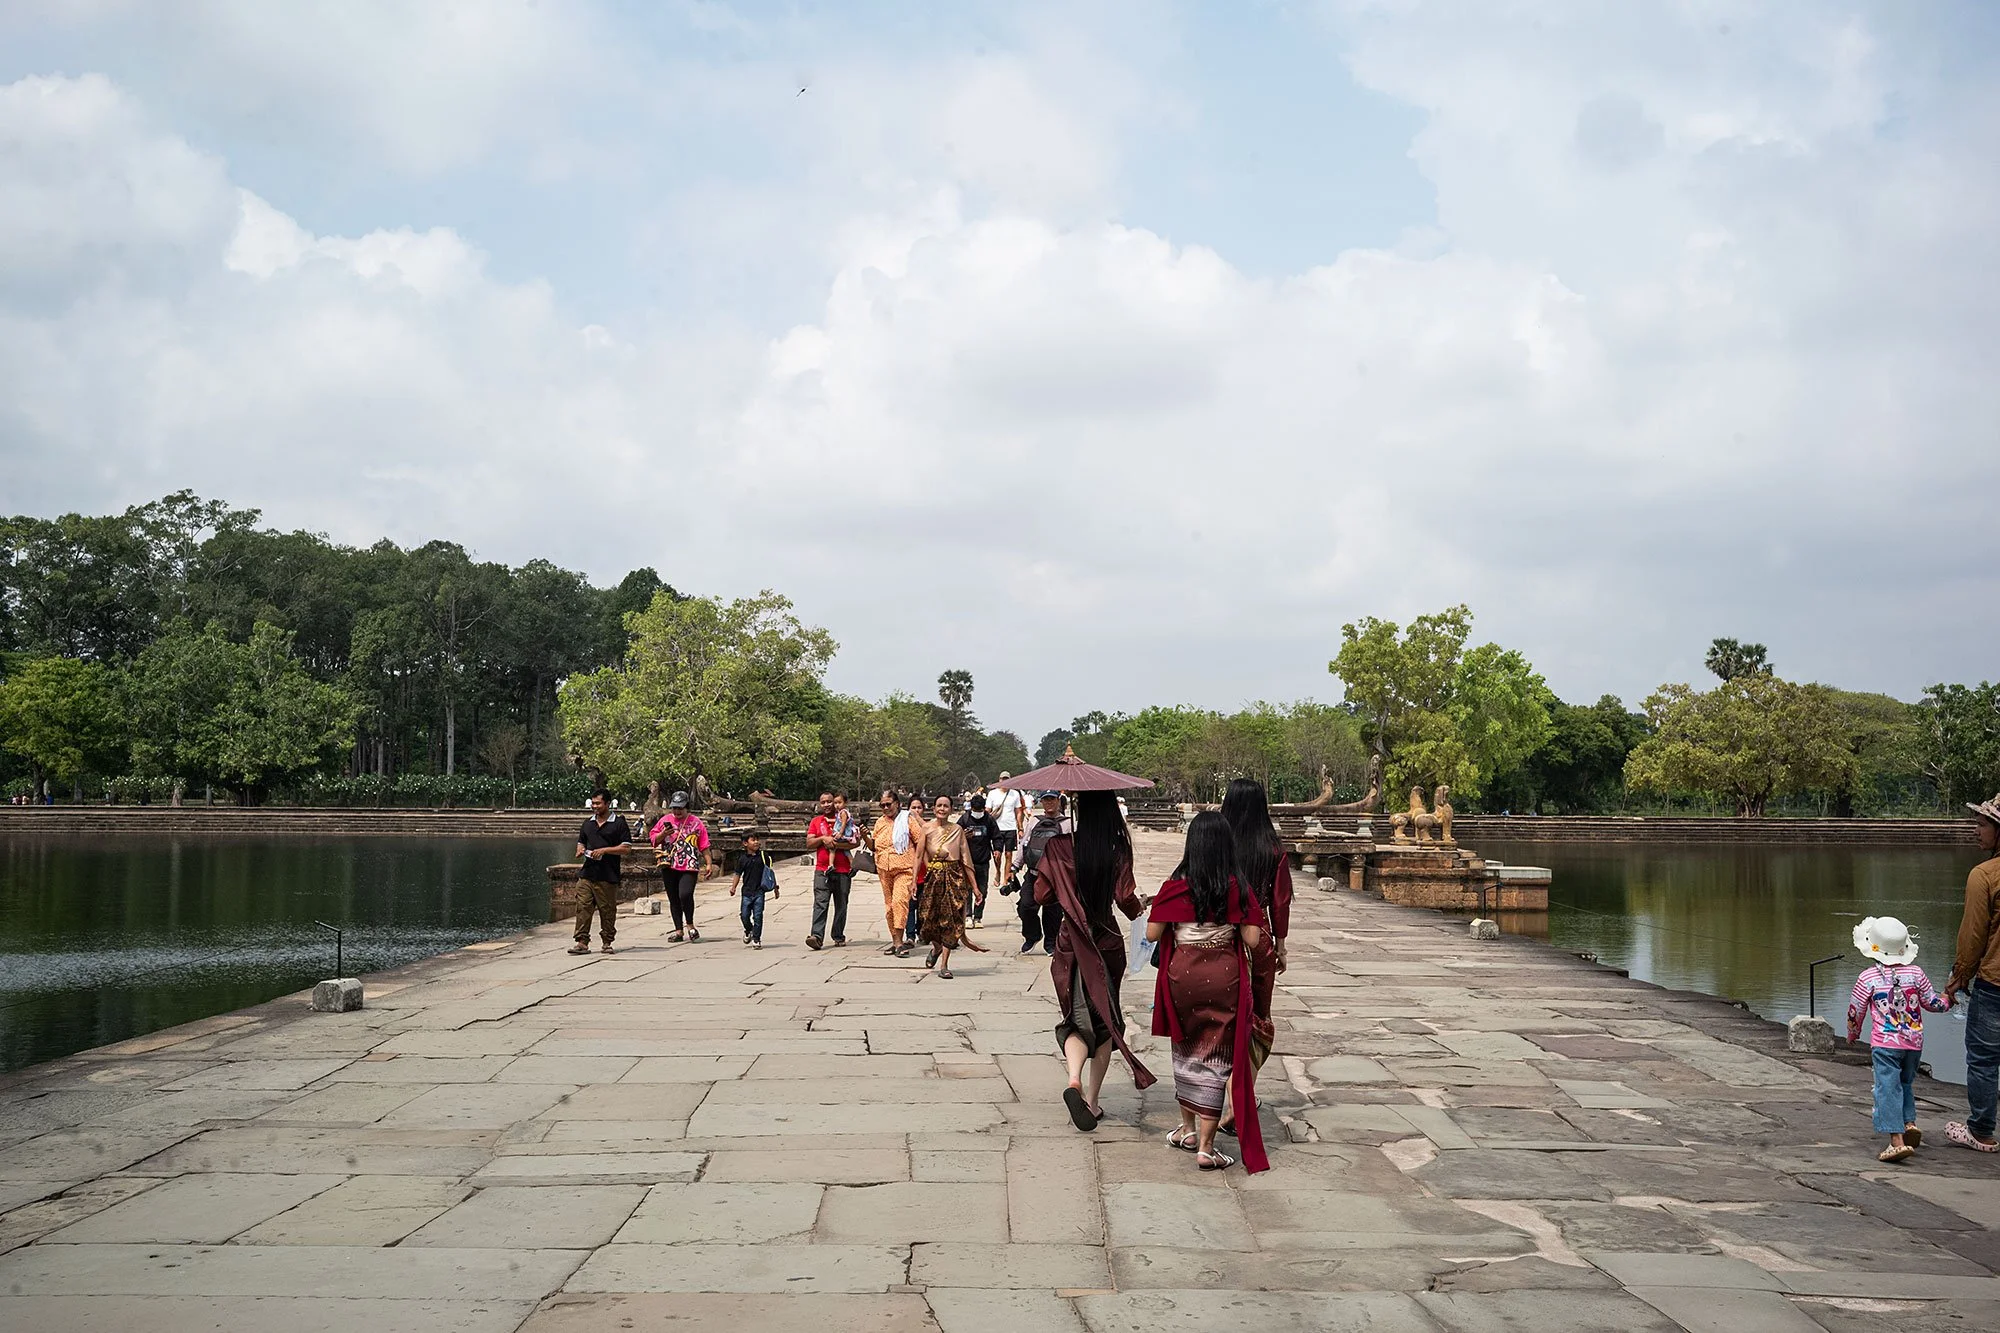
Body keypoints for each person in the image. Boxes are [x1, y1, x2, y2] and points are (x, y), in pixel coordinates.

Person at [1147, 812, 1267, 1173]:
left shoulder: (1175, 885)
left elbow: (1153, 934)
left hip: (1181, 974)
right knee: (1217, 1057)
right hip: (1223, 974)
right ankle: (1206, 1146)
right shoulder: (1236, 887)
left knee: (1186, 1047)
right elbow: (1252, 939)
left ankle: (1186, 1128)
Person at [1036, 789, 1156, 1130]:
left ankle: (1073, 1078)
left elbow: (1043, 895)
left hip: (1070, 941)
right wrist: (1141, 904)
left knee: (1076, 1016)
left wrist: (1061, 875)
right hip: (1105, 941)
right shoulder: (1117, 850)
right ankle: (1091, 1101)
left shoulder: (1058, 847)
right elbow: (1125, 899)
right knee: (1105, 1020)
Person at [1217, 777, 1292, 1138]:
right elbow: (1280, 901)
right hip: (1258, 934)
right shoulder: (1272, 848)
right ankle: (1242, 1094)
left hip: (1219, 933)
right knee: (1257, 1018)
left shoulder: (1219, 843)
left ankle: (1220, 1092)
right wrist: (1280, 943)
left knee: (1223, 1018)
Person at [1846, 915, 1950, 1162]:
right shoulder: (1916, 973)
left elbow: (1855, 1011)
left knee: (1886, 1088)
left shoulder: (1867, 978)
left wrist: (1853, 1034)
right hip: (1914, 1043)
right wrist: (1947, 999)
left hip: (1885, 1044)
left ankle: (1896, 1141)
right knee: (1905, 1083)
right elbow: (1932, 1003)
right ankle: (1910, 1123)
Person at [1944, 793, 2000, 1152]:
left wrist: (1959, 977)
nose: (1975, 830)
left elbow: (1973, 936)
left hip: (1994, 983)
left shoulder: (1984, 875)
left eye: (1982, 824)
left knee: (1983, 1058)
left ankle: (1981, 1131)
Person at [917, 794, 988, 978]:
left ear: (951, 809)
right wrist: (912, 883)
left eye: (946, 806)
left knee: (952, 919)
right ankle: (936, 948)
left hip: (954, 876)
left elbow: (966, 860)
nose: (942, 809)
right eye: (939, 806)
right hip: (933, 878)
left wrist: (975, 887)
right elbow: (918, 857)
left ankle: (944, 965)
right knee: (927, 919)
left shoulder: (957, 830)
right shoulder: (926, 829)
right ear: (933, 809)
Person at [571, 790, 632, 955]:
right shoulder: (587, 823)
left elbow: (626, 848)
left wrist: (604, 850)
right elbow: (581, 842)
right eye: (593, 803)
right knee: (583, 906)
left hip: (608, 874)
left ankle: (607, 941)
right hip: (588, 873)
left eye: (598, 803)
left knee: (607, 910)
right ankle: (582, 941)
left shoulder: (618, 823)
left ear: (607, 803)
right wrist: (580, 850)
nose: (595, 806)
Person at [650, 791, 713, 942]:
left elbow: (704, 845)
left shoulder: (696, 823)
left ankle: (690, 925)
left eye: (680, 808)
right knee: (673, 898)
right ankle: (678, 930)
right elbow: (653, 840)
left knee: (685, 894)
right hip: (669, 864)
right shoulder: (665, 820)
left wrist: (709, 863)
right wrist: (664, 833)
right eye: (675, 808)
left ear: (687, 807)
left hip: (689, 864)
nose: (677, 811)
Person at [1016, 791, 1066, 954]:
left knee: (1053, 911)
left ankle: (1051, 942)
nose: (1049, 803)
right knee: (1026, 906)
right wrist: (1015, 866)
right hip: (1034, 873)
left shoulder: (1068, 823)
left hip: (1056, 876)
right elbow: (1025, 844)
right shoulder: (1034, 821)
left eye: (1052, 799)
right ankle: (1032, 936)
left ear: (1059, 801)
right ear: (1042, 802)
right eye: (1046, 800)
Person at [871, 790, 918, 957]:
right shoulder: (879, 823)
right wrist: (864, 835)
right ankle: (895, 940)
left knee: (899, 902)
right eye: (882, 805)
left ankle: (899, 942)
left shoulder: (907, 820)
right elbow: (873, 845)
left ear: (897, 804)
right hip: (884, 869)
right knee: (889, 907)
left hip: (904, 868)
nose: (885, 807)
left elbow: (920, 842)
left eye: (888, 804)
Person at [806, 790, 854, 951]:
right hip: (822, 869)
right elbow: (809, 843)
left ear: (836, 802)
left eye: (830, 801)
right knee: (820, 903)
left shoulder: (845, 820)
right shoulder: (816, 821)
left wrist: (835, 844)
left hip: (843, 869)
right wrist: (822, 839)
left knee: (841, 904)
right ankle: (817, 936)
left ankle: (838, 935)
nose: (827, 805)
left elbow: (855, 842)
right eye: (823, 802)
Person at [959, 793, 1000, 927]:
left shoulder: (988, 820)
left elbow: (997, 836)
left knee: (982, 889)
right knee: (967, 890)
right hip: (967, 861)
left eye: (980, 811)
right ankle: (968, 916)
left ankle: (978, 916)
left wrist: (997, 849)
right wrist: (963, 836)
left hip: (983, 860)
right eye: (975, 811)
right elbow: (954, 836)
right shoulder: (964, 819)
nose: (978, 813)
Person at [731, 830, 776, 948]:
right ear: (745, 843)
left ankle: (756, 938)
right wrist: (733, 887)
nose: (756, 842)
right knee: (744, 915)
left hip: (759, 891)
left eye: (757, 839)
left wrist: (775, 887)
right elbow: (737, 873)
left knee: (758, 916)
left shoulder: (763, 856)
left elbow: (770, 873)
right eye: (753, 840)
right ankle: (748, 929)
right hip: (746, 891)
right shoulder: (742, 859)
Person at [991, 773, 1026, 885]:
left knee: (1009, 854)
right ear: (999, 780)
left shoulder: (1014, 794)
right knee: (997, 854)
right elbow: (988, 810)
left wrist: (1020, 827)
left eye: (1007, 779)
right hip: (997, 828)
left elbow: (1018, 811)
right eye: (1003, 779)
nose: (1005, 781)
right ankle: (997, 872)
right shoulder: (993, 793)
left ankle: (1006, 878)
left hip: (1010, 827)